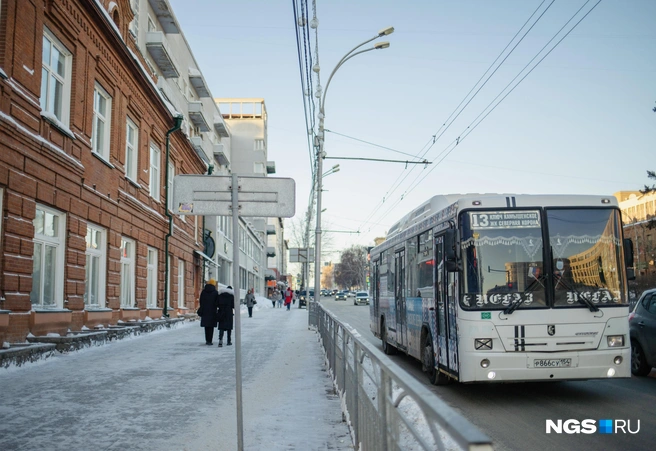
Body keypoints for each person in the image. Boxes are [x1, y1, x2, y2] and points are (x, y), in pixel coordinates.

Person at [197, 279, 219, 345]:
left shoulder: (204, 291)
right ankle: (210, 340)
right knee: (211, 327)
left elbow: (201, 301)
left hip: (205, 311)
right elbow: (217, 302)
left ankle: (207, 340)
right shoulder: (215, 292)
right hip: (212, 311)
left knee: (206, 326)